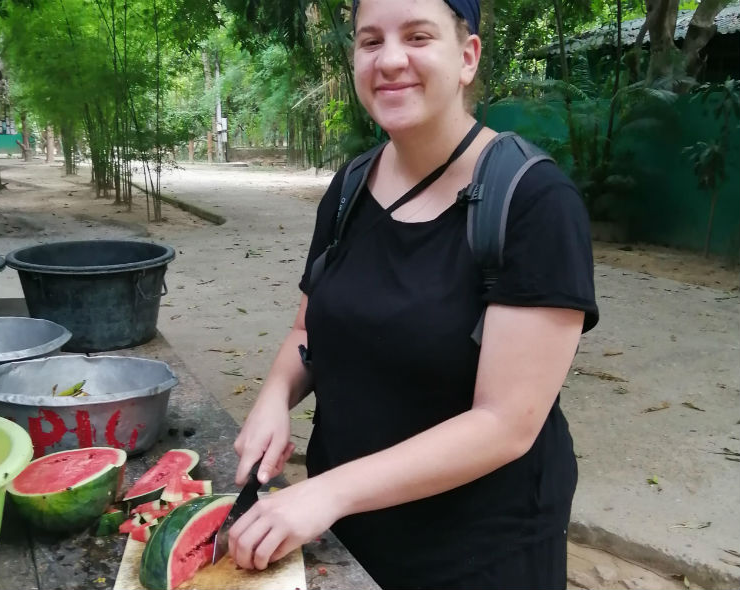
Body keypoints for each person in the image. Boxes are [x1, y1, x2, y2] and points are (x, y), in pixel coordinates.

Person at [227, 0, 599, 588]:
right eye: (370, 41)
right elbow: (307, 332)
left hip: (476, 554)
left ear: (467, 57)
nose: (391, 59)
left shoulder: (534, 202)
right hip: (344, 535)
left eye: (418, 36)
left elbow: (506, 423)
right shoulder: (351, 186)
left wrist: (326, 492)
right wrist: (275, 396)